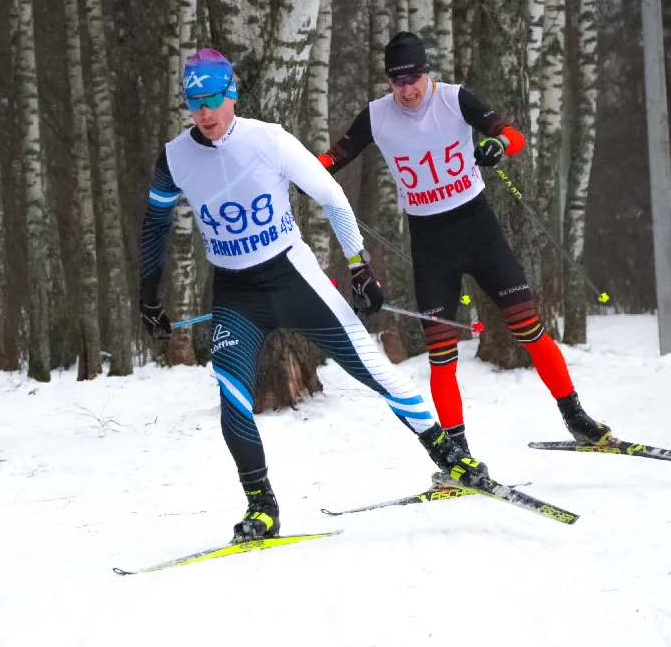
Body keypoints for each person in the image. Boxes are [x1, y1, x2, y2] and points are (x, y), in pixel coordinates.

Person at [138, 48, 490, 543]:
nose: (205, 113)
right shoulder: (175, 157)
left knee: (375, 371)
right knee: (232, 399)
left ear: (231, 94)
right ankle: (261, 507)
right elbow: (154, 225)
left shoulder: (269, 140)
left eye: (213, 99)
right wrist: (147, 294)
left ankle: (451, 458)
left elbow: (332, 196)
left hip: (293, 277)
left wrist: (359, 266)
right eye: (194, 103)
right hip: (236, 293)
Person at [315, 31, 613, 455]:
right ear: (388, 81)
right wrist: (305, 171)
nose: (408, 89)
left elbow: (512, 135)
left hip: (477, 229)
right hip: (429, 243)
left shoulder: (453, 99)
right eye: (398, 81)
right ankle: (457, 452)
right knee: (441, 354)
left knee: (529, 329)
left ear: (426, 72)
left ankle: (576, 417)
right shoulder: (377, 115)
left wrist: (497, 144)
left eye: (414, 78)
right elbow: (335, 157)